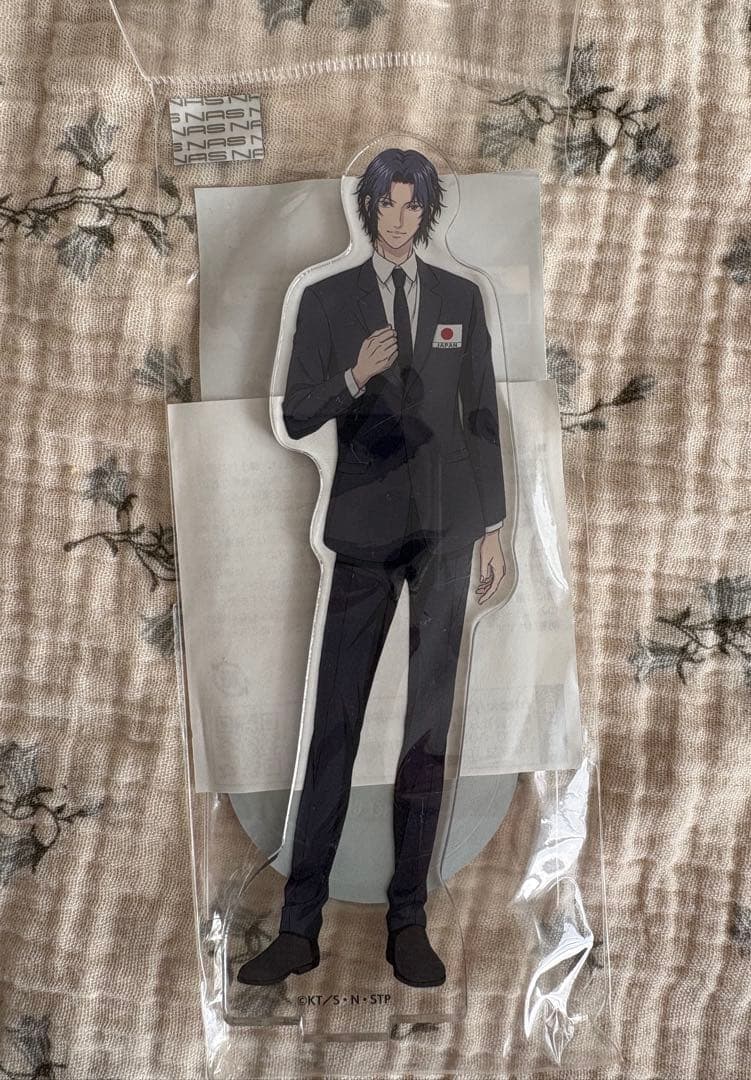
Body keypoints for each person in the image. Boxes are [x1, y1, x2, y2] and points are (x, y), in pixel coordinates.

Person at [237, 148, 507, 989]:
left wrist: (494, 526)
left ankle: (408, 923)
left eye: (411, 207)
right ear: (368, 209)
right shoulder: (327, 298)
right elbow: (294, 412)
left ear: (427, 211)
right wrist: (355, 374)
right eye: (386, 206)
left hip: (448, 534)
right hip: (362, 532)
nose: (398, 221)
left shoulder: (461, 298)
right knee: (335, 728)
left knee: (427, 732)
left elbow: (481, 413)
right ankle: (299, 928)